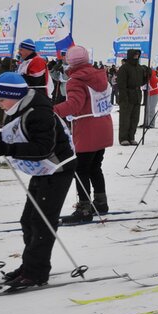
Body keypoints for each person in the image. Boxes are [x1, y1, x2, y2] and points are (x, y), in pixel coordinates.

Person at [0, 72, 77, 290]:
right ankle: (29, 265)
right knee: (28, 220)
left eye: (1, 100)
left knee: (41, 222)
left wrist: (9, 149)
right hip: (42, 170)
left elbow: (43, 148)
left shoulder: (38, 112)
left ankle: (37, 272)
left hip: (57, 169)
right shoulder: (18, 108)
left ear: (13, 95)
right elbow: (6, 138)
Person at [54, 46, 114, 223]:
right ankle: (101, 203)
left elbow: (74, 104)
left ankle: (84, 208)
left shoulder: (75, 80)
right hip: (103, 126)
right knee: (95, 167)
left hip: (87, 130)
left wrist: (52, 110)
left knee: (80, 170)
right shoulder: (98, 75)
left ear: (70, 62)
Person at [116, 49, 147, 145]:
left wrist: (147, 75)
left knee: (135, 118)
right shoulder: (124, 68)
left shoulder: (139, 68)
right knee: (125, 118)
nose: (136, 57)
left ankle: (131, 137)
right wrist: (123, 97)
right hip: (127, 95)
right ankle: (123, 138)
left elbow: (141, 82)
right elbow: (121, 84)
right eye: (134, 55)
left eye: (137, 55)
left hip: (137, 94)